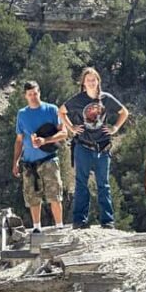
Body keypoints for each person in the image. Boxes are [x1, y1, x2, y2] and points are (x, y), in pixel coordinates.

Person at [60, 67, 129, 229]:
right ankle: (80, 220)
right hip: (83, 146)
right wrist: (71, 128)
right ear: (83, 83)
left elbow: (124, 112)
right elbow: (61, 111)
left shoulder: (106, 99)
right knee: (81, 183)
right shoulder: (78, 99)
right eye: (88, 80)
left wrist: (115, 128)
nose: (91, 82)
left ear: (98, 81)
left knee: (103, 184)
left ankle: (107, 221)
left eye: (94, 79)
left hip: (103, 147)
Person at [13, 81, 68, 233]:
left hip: (49, 159)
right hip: (29, 163)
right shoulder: (22, 114)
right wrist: (16, 161)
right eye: (30, 94)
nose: (33, 97)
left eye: (35, 93)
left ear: (39, 92)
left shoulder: (51, 110)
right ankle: (37, 228)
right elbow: (19, 140)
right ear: (25, 96)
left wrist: (46, 140)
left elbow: (64, 133)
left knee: (55, 195)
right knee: (32, 197)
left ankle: (59, 227)